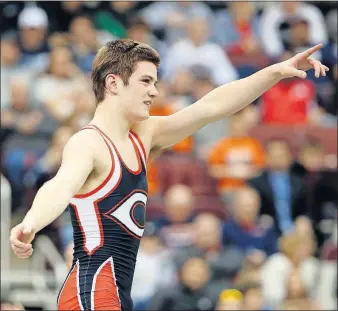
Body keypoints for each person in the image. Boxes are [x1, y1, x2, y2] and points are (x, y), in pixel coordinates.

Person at [9, 39, 328, 310]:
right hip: (92, 293)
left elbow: (211, 106)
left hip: (114, 295)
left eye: (155, 82)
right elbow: (61, 185)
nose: (154, 92)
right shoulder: (89, 141)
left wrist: (275, 71)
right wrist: (31, 222)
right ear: (113, 83)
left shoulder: (144, 135)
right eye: (145, 81)